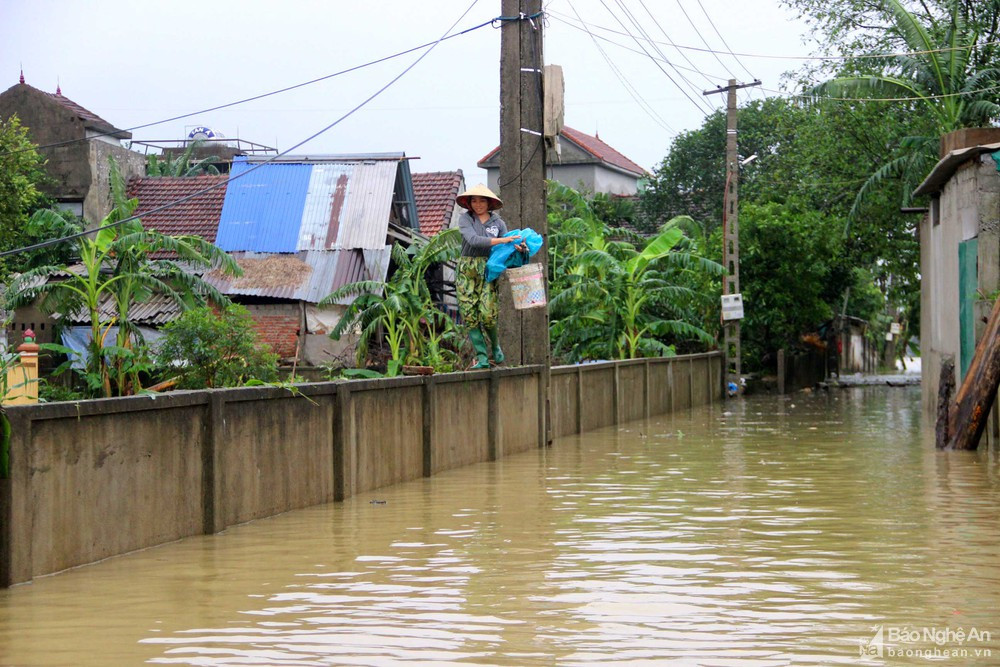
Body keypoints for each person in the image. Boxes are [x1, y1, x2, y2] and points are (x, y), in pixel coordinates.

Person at [456, 184, 527, 369]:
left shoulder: (498, 223)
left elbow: (506, 247)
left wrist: (518, 247)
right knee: (469, 315)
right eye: (474, 201)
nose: (478, 204)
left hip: (489, 269)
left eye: (482, 201)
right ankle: (482, 358)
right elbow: (473, 240)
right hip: (467, 270)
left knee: (488, 314)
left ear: (489, 203)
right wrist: (503, 240)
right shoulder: (465, 219)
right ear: (469, 203)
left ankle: (495, 347)